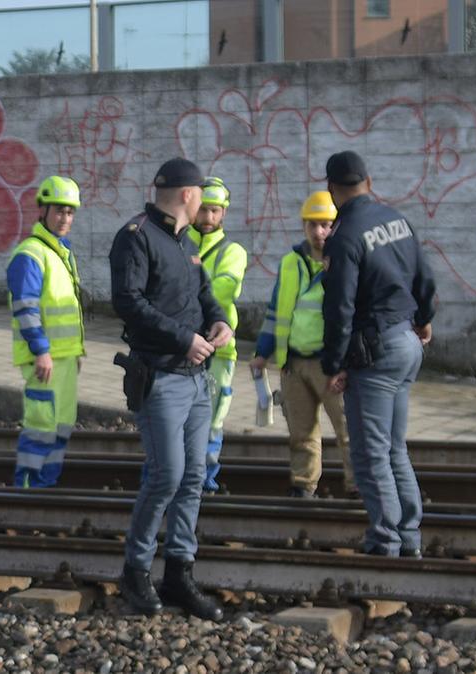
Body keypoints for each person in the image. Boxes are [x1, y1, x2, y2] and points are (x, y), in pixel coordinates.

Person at [109, 157, 231, 620]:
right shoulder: (136, 237)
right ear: (188, 195)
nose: (203, 200)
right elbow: (128, 301)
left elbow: (202, 294)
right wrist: (185, 338)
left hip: (196, 379)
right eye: (201, 192)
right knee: (167, 477)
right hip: (161, 376)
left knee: (194, 477)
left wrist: (217, 319)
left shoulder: (185, 242)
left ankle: (179, 572)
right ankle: (135, 571)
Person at [320, 151, 436, 557]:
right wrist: (424, 319)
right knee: (394, 447)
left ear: (332, 189)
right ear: (368, 182)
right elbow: (424, 277)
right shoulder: (397, 220)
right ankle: (409, 537)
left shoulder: (345, 236)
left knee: (370, 454)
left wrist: (332, 364)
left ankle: (385, 540)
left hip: (376, 351)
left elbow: (339, 309)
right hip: (407, 342)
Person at [251, 191, 357, 499]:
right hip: (293, 363)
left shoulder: (345, 261)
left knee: (348, 433)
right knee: (301, 434)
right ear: (304, 226)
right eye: (313, 225)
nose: (319, 232)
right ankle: (303, 485)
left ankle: (357, 488)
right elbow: (274, 313)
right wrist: (262, 353)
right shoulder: (290, 263)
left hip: (331, 365)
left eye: (326, 225)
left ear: (335, 226)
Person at [6, 176, 85, 488]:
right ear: (43, 210)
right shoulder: (31, 254)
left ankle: (45, 486)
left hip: (63, 358)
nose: (65, 219)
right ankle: (27, 492)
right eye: (59, 211)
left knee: (61, 426)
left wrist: (76, 351)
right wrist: (41, 350)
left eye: (70, 212)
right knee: (40, 427)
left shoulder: (60, 252)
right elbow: (25, 308)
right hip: (45, 359)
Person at [187, 176, 247, 493]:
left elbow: (225, 288)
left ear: (223, 213)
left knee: (212, 421)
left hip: (220, 349)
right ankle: (186, 479)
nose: (208, 218)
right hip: (183, 346)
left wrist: (184, 286)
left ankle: (205, 481)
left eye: (215, 211)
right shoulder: (180, 243)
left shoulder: (232, 251)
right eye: (203, 210)